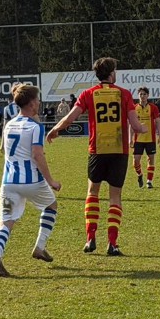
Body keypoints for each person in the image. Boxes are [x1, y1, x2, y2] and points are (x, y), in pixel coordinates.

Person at [47, 57, 145, 256]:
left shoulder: (88, 94)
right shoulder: (124, 94)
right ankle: (112, 243)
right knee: (115, 196)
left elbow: (69, 117)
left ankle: (90, 238)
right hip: (119, 152)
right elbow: (135, 126)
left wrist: (55, 129)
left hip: (97, 151)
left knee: (92, 193)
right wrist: (143, 127)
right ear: (112, 74)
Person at [0, 83, 62, 277]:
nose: (39, 102)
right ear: (31, 103)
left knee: (5, 222)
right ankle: (39, 247)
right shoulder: (36, 127)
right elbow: (38, 155)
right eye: (37, 100)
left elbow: (4, 151)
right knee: (51, 206)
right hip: (32, 183)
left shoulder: (9, 125)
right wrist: (51, 181)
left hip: (8, 183)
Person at [131, 86, 160, 189]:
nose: (143, 96)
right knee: (136, 161)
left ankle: (149, 181)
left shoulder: (153, 107)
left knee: (151, 159)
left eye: (144, 94)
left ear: (148, 95)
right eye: (141, 94)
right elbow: (131, 124)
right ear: (138, 95)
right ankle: (140, 174)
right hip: (138, 139)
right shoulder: (134, 108)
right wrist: (130, 139)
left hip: (150, 139)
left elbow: (158, 122)